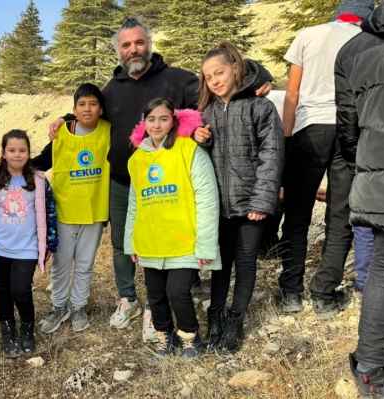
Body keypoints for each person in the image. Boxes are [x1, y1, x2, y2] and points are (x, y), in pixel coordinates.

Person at [48, 18, 272, 329]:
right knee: (121, 244)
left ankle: (163, 300)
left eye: (139, 43)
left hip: (169, 182)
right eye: (126, 45)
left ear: (149, 45)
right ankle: (128, 298)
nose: (133, 49)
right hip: (122, 181)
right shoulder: (112, 87)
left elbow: (216, 94)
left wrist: (259, 80)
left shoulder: (178, 80)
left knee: (168, 236)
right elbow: (90, 109)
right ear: (119, 51)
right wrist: (65, 117)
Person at [277, 0, 373, 317]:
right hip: (351, 130)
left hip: (309, 129)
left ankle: (291, 291)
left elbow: (292, 94)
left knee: (297, 214)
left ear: (338, 14)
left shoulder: (309, 34)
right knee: (340, 215)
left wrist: (287, 140)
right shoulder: (369, 40)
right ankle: (323, 293)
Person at [193, 42, 284, 354]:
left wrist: (262, 201)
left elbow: (272, 156)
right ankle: (214, 317)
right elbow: (197, 162)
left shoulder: (261, 107)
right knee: (219, 264)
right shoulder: (205, 113)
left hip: (251, 205)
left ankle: (235, 320)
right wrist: (198, 139)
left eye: (219, 72)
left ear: (235, 68)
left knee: (245, 263)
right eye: (208, 77)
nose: (215, 80)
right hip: (217, 206)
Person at [125, 98, 220, 359]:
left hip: (183, 240)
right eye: (151, 119)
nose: (157, 124)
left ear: (173, 121)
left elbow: (207, 197)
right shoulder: (137, 159)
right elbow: (134, 203)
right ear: (144, 123)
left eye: (163, 118)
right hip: (151, 241)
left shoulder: (188, 149)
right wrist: (130, 242)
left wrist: (206, 244)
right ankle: (164, 336)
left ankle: (189, 336)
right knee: (155, 295)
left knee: (177, 292)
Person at [334, 1, 384, 394]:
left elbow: (347, 126)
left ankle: (370, 369)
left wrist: (369, 166)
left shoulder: (352, 50)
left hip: (380, 173)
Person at [31, 84, 110, 333]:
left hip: (95, 211)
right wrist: (12, 168)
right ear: (74, 109)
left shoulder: (109, 131)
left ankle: (78, 307)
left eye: (93, 104)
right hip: (64, 210)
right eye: (82, 104)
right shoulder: (61, 133)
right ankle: (58, 307)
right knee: (62, 262)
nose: (87, 109)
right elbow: (42, 162)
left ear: (101, 109)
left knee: (85, 263)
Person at [0, 130, 58, 358]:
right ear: (3, 153)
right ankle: (8, 331)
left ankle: (27, 328)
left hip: (27, 248)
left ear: (29, 153)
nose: (17, 155)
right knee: (3, 289)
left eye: (22, 150)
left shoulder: (39, 180)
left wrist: (51, 240)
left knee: (20, 290)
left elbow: (50, 211)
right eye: (11, 150)